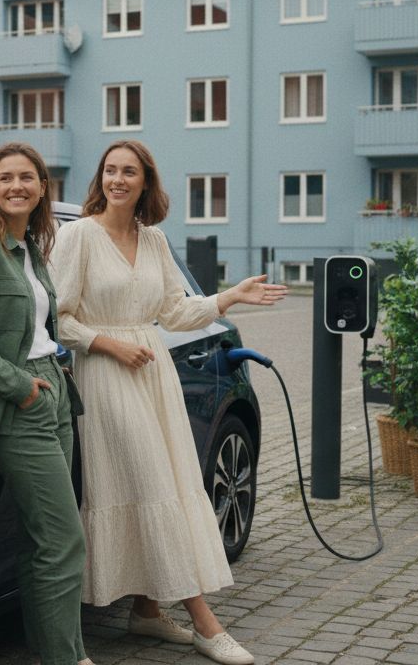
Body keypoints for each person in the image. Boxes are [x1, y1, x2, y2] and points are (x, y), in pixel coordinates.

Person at [52, 140, 287, 665]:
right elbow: (58, 318)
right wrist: (108, 344)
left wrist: (228, 297)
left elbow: (176, 313)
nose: (117, 179)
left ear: (145, 182)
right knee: (151, 483)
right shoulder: (78, 237)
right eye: (109, 170)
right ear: (101, 178)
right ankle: (206, 623)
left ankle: (147, 610)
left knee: (169, 482)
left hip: (152, 373)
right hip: (106, 373)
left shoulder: (153, 239)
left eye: (128, 171)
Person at [0, 143, 95, 665]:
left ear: (41, 187)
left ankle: (59, 651)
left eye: (26, 177)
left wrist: (55, 361)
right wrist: (21, 385)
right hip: (17, 401)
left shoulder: (29, 245)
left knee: (40, 539)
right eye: (4, 178)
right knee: (63, 538)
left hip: (54, 388)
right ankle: (68, 658)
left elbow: (33, 324)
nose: (16, 186)